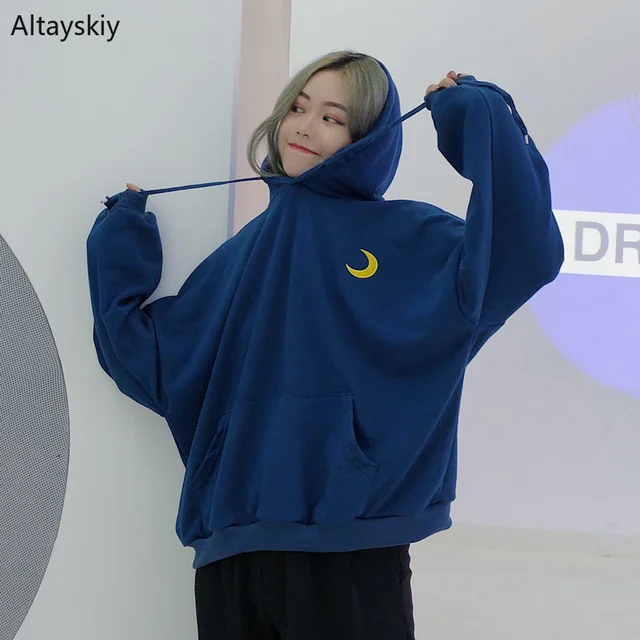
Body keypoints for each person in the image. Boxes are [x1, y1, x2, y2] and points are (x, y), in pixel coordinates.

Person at [86, 51, 564, 639]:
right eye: (298, 107)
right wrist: (120, 239)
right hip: (230, 556)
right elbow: (150, 362)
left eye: (334, 118)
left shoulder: (410, 239)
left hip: (351, 554)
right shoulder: (237, 257)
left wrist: (477, 117)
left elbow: (524, 253)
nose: (306, 127)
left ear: (368, 139)